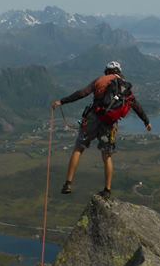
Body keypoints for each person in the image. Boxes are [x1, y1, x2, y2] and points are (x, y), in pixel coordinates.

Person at [50, 60, 151, 199]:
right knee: (107, 156)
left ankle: (68, 183)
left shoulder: (101, 80)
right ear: (119, 72)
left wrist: (62, 101)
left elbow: (82, 93)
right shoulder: (125, 87)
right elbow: (136, 105)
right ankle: (107, 190)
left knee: (79, 148)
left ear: (107, 71)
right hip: (109, 123)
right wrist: (146, 121)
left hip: (93, 118)